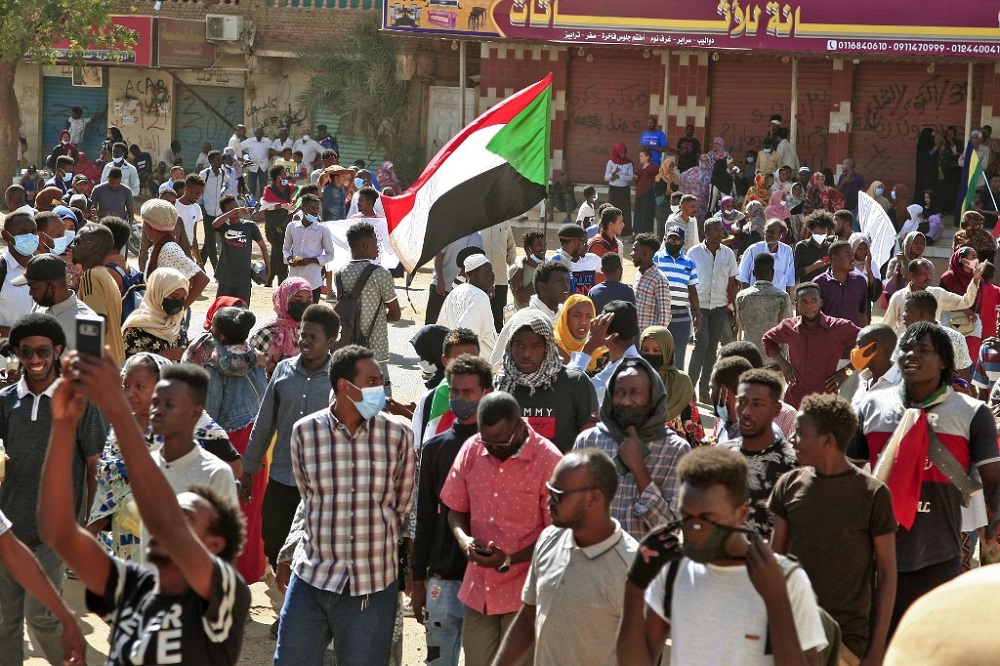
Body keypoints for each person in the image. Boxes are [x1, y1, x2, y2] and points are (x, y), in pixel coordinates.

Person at [40, 353, 251, 665]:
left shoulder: (223, 601)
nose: (161, 521)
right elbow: (60, 534)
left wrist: (116, 406)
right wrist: (63, 424)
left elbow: (164, 522)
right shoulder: (135, 588)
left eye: (186, 516)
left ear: (216, 542)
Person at [849, 321, 1000, 634]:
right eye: (906, 348)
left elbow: (994, 485)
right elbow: (849, 472)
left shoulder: (972, 414)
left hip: (939, 558)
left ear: (943, 360)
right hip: (878, 559)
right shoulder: (871, 406)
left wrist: (990, 540)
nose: (911, 354)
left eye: (923, 349)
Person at [617, 446, 829, 666]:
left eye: (707, 518)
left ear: (741, 513)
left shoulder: (785, 579)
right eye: (686, 515)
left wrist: (776, 600)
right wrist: (635, 585)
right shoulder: (673, 573)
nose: (694, 529)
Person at [274, 345, 415, 665]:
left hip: (372, 584)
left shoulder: (398, 436)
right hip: (312, 578)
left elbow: (402, 506)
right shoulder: (305, 433)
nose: (380, 391)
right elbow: (310, 499)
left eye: (381, 382)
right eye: (372, 382)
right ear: (344, 386)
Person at [0, 313, 103, 665]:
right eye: (26, 352)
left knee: (41, 614)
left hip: (58, 530)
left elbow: (94, 463)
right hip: (9, 526)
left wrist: (92, 524)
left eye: (43, 351)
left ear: (57, 350)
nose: (35, 359)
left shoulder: (80, 401)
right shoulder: (5, 400)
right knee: (5, 620)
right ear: (17, 353)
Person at [770, 393, 897, 664]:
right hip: (793, 632)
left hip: (847, 640)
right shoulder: (788, 485)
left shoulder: (873, 494)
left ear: (828, 440)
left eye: (800, 434)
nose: (792, 440)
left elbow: (887, 573)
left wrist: (876, 648)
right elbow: (775, 563)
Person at [439, 391, 562, 666]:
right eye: (487, 442)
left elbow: (557, 535)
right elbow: (455, 509)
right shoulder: (473, 448)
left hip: (526, 594)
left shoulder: (549, 460)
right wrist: (464, 540)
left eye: (501, 442)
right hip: (478, 589)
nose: (492, 448)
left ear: (520, 426)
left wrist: (508, 559)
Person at [493, 449, 639, 666]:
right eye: (549, 491)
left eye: (558, 495)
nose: (548, 502)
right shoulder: (549, 538)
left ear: (594, 498)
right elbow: (528, 617)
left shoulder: (633, 569)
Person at [244, 304, 339, 577]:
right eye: (303, 335)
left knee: (313, 553)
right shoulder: (283, 371)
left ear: (330, 341)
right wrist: (249, 468)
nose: (305, 341)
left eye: (313, 337)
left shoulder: (340, 380)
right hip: (281, 478)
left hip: (321, 485)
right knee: (274, 542)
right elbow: (265, 422)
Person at [411, 354, 493, 666]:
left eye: (468, 392)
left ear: (486, 393)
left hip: (486, 579)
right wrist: (417, 579)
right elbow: (425, 516)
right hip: (442, 578)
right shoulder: (435, 448)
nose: (460, 399)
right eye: (455, 392)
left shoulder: (500, 447)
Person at [184, 305, 267, 583]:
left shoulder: (207, 357)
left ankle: (219, 579)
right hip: (254, 442)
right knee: (249, 513)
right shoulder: (253, 356)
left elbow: (208, 416)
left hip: (224, 446)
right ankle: (247, 573)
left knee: (221, 515)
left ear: (217, 331)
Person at [573, 355, 690, 540]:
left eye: (635, 393)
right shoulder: (589, 441)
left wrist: (639, 469)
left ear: (652, 398)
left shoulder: (675, 450)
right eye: (619, 392)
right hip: (595, 555)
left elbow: (670, 530)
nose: (626, 401)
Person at [494, 308, 598, 453]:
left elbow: (590, 444)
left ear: (547, 347)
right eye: (519, 345)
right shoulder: (500, 385)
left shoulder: (576, 383)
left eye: (535, 346)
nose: (526, 354)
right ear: (510, 346)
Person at [716, 369, 799, 539]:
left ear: (776, 409)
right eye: (742, 402)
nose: (746, 411)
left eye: (757, 404)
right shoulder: (720, 457)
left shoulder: (793, 469)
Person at [763, 282, 861, 407]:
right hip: (794, 402)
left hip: (825, 404)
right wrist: (783, 364)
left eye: (813, 300)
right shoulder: (789, 327)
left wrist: (847, 372)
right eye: (804, 301)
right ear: (797, 304)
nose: (809, 306)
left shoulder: (838, 327)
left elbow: (871, 344)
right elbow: (768, 340)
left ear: (821, 302)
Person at [335, 221, 401, 389]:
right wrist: (377, 319)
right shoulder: (380, 273)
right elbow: (396, 314)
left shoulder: (340, 273)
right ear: (365, 245)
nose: (378, 247)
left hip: (348, 348)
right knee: (380, 399)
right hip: (374, 351)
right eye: (376, 242)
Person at [687, 217, 737, 396]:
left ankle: (703, 391)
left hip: (719, 307)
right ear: (706, 232)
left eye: (721, 229)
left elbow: (732, 284)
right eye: (715, 229)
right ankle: (689, 389)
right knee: (701, 345)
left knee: (712, 348)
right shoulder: (693, 253)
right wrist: (694, 312)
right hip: (699, 307)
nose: (719, 233)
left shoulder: (728, 254)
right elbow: (689, 283)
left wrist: (736, 311)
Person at [412, 328, 482, 447]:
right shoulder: (429, 399)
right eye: (459, 360)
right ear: (445, 361)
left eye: (472, 360)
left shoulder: (490, 398)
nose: (466, 367)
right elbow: (422, 447)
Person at [13, 253, 97, 350]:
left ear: (52, 287)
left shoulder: (85, 322)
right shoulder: (40, 305)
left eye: (34, 288)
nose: (30, 293)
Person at [72, 222, 126, 367]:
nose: (72, 246)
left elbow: (95, 326)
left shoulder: (91, 275)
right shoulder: (105, 275)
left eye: (77, 241)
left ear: (93, 248)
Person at [565, 300, 640, 403]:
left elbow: (568, 388)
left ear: (606, 333)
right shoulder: (634, 363)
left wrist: (589, 346)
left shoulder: (618, 372)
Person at [882, 257, 982, 334]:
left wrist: (976, 279)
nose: (928, 277)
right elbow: (887, 326)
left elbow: (965, 302)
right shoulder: (899, 297)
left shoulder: (938, 294)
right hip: (904, 349)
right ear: (912, 276)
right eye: (924, 274)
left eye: (929, 273)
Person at [138, 198, 209, 306]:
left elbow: (202, 279)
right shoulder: (158, 248)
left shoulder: (169, 250)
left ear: (149, 226)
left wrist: (180, 309)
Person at [640, 326, 704, 445]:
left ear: (667, 351)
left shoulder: (681, 382)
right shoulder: (631, 380)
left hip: (677, 452)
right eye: (645, 350)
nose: (650, 354)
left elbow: (694, 429)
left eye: (656, 350)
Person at [900, 290, 974, 386]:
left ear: (921, 314)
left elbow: (965, 378)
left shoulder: (954, 339)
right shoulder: (904, 338)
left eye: (906, 310)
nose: (903, 315)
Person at [654, 225, 701, 371]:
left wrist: (698, 315)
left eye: (676, 240)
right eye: (670, 239)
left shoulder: (689, 262)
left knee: (678, 360)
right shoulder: (656, 258)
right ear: (665, 239)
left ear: (682, 242)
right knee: (659, 358)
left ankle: (675, 385)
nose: (673, 242)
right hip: (661, 313)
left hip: (682, 317)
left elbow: (692, 291)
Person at [212, 195, 271, 304]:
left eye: (236, 207)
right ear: (225, 212)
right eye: (231, 209)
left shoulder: (250, 226)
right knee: (221, 309)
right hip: (225, 278)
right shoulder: (224, 226)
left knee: (242, 311)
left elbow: (263, 248)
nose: (236, 210)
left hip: (244, 278)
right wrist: (233, 212)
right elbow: (215, 224)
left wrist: (269, 270)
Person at [121, 267, 189, 360]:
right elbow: (129, 364)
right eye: (174, 296)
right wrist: (164, 356)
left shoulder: (177, 319)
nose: (178, 302)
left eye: (182, 298)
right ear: (158, 293)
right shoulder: (136, 328)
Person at [439, 254, 497, 360]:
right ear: (476, 275)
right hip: (477, 362)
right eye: (488, 272)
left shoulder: (456, 291)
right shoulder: (480, 297)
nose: (493, 275)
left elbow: (442, 325)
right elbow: (468, 337)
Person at [283, 193, 333, 302]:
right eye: (312, 208)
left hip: (313, 281)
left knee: (311, 311)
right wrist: (289, 259)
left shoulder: (322, 230)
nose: (315, 211)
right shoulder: (292, 227)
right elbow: (286, 249)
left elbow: (330, 255)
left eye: (317, 208)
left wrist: (311, 261)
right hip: (293, 279)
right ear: (303, 209)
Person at [427, 233, 483, 325]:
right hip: (442, 288)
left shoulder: (478, 237)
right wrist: (440, 280)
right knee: (432, 326)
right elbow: (439, 256)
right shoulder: (449, 232)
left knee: (453, 327)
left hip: (461, 293)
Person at [0, 210, 38, 337]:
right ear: (5, 236)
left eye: (33, 232)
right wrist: (20, 334)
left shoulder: (44, 268)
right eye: (23, 232)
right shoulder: (2, 269)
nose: (30, 237)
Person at [815, 240, 870, 327]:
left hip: (854, 334)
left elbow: (863, 313)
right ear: (835, 258)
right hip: (829, 334)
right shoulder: (819, 283)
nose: (852, 259)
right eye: (848, 255)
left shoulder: (860, 281)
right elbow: (814, 316)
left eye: (852, 255)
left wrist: (865, 334)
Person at [738, 218, 796, 294]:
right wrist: (748, 297)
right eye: (767, 231)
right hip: (756, 298)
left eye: (772, 232)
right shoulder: (753, 250)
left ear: (780, 235)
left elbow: (789, 281)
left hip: (778, 298)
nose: (768, 235)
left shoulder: (787, 251)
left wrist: (787, 299)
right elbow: (743, 278)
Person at [850, 324, 901, 407]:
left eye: (859, 344)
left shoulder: (901, 385)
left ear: (874, 347)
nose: (855, 349)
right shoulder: (864, 380)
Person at [631, 232, 672, 332]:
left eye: (634, 250)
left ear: (645, 253)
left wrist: (655, 337)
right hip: (635, 336)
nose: (631, 254)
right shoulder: (638, 274)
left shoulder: (659, 280)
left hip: (649, 337)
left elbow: (665, 315)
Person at [508, 229, 546, 310]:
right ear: (528, 249)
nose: (543, 248)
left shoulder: (549, 267)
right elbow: (520, 298)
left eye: (544, 245)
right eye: (539, 245)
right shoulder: (515, 271)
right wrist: (540, 275)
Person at [884, 231, 927, 298]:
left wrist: (907, 275)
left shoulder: (924, 264)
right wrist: (898, 265)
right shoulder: (894, 262)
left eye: (922, 243)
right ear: (908, 243)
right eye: (916, 243)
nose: (919, 246)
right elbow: (890, 289)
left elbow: (923, 288)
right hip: (898, 302)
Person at [793, 211, 833, 283]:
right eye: (817, 233)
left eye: (823, 233)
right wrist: (814, 266)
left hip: (826, 286)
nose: (820, 235)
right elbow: (796, 273)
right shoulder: (801, 246)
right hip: (808, 286)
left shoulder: (830, 247)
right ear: (811, 230)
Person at [605, 143, 635, 234]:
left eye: (624, 152)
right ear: (617, 152)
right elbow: (606, 178)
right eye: (621, 152)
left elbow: (630, 177)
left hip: (624, 190)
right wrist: (613, 173)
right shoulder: (611, 162)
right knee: (613, 211)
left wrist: (619, 176)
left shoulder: (629, 163)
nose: (623, 154)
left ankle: (625, 231)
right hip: (613, 190)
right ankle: (612, 230)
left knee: (624, 211)